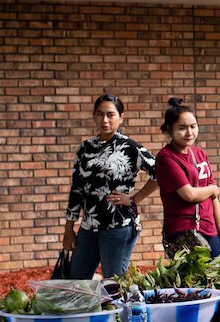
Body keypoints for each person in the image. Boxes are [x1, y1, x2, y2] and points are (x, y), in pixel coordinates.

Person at [62, 93, 155, 280]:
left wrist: (134, 199)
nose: (104, 119)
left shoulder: (130, 147)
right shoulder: (85, 148)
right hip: (88, 226)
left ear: (121, 117)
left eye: (110, 114)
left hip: (118, 225)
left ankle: (120, 310)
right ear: (94, 116)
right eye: (99, 114)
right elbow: (77, 189)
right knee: (77, 281)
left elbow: (160, 173)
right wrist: (69, 229)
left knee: (114, 283)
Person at [155, 98, 220, 258]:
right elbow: (189, 194)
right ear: (169, 129)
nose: (189, 133)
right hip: (182, 231)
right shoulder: (166, 157)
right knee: (191, 282)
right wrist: (212, 189)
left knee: (216, 279)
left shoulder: (199, 154)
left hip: (209, 228)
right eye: (182, 128)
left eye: (193, 126)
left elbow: (214, 198)